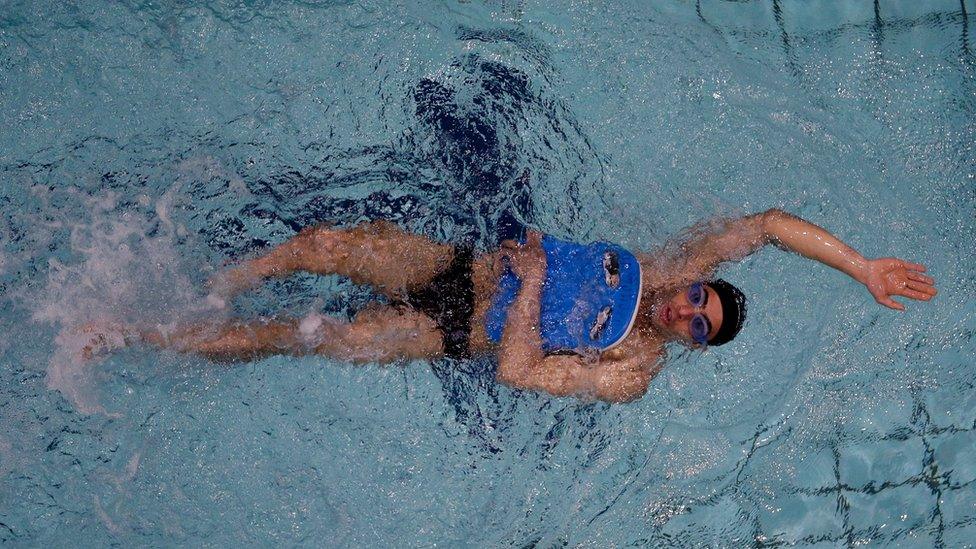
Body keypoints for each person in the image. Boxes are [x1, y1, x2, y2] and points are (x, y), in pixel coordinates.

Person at [101, 209, 936, 403]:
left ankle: (132, 333)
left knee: (300, 335)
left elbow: (519, 371)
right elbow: (767, 225)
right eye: (696, 300)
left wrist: (534, 283)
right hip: (459, 265)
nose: (686, 310)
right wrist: (860, 264)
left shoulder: (629, 370)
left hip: (446, 329)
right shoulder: (668, 265)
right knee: (322, 243)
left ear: (690, 344)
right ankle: (219, 280)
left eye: (697, 327)